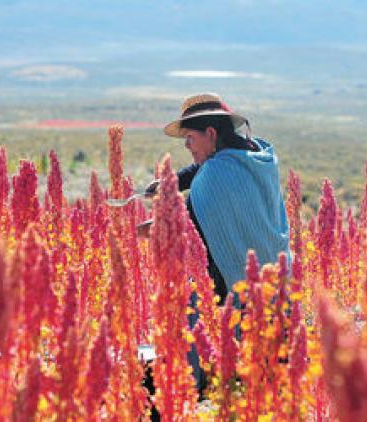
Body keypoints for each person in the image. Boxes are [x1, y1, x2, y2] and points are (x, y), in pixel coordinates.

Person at [140, 93, 291, 400]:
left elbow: (191, 231)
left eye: (190, 138)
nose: (187, 146)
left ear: (210, 133)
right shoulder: (258, 157)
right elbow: (207, 168)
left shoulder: (214, 175)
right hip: (279, 290)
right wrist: (171, 182)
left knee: (215, 377)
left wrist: (151, 230)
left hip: (233, 295)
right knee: (270, 384)